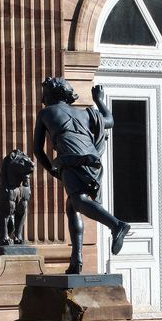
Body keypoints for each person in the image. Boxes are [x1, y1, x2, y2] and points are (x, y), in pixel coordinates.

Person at [33, 77, 130, 274]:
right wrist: (99, 100)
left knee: (78, 201)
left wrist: (51, 167)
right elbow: (109, 121)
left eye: (44, 92)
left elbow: (37, 149)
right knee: (72, 208)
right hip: (92, 161)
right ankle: (76, 261)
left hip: (70, 159)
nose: (42, 97)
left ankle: (116, 225)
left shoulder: (46, 113)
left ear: (51, 94)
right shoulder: (85, 113)